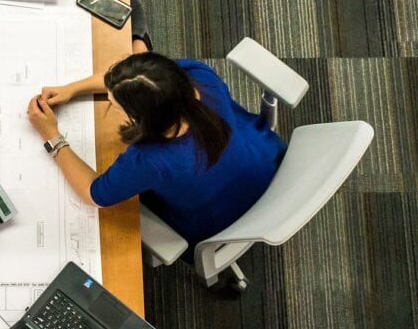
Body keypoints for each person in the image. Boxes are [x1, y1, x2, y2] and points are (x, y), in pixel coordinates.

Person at [24, 48, 285, 262]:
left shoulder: (150, 160)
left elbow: (95, 193)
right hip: (267, 161)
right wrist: (73, 88)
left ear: (141, 119)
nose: (111, 106)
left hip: (220, 220)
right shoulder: (198, 76)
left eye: (115, 105)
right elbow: (135, 79)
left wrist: (52, 136)